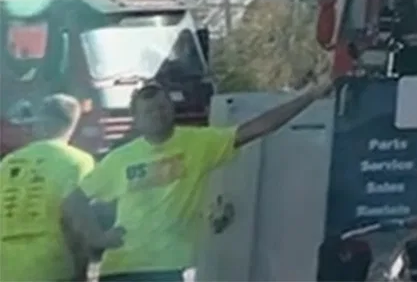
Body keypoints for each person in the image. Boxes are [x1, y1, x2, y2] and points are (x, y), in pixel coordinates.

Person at [82, 74, 333, 282]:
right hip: (121, 269)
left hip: (167, 269)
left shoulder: (198, 143)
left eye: (162, 107)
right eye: (148, 111)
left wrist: (309, 97)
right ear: (135, 120)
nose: (157, 114)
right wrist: (97, 237)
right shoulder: (120, 159)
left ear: (171, 108)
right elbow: (74, 200)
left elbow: (259, 127)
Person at [0, 97, 102, 282]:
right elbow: (78, 220)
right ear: (74, 123)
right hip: (53, 269)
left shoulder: (8, 162)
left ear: (39, 122)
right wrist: (82, 271)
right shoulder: (78, 161)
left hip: (7, 271)